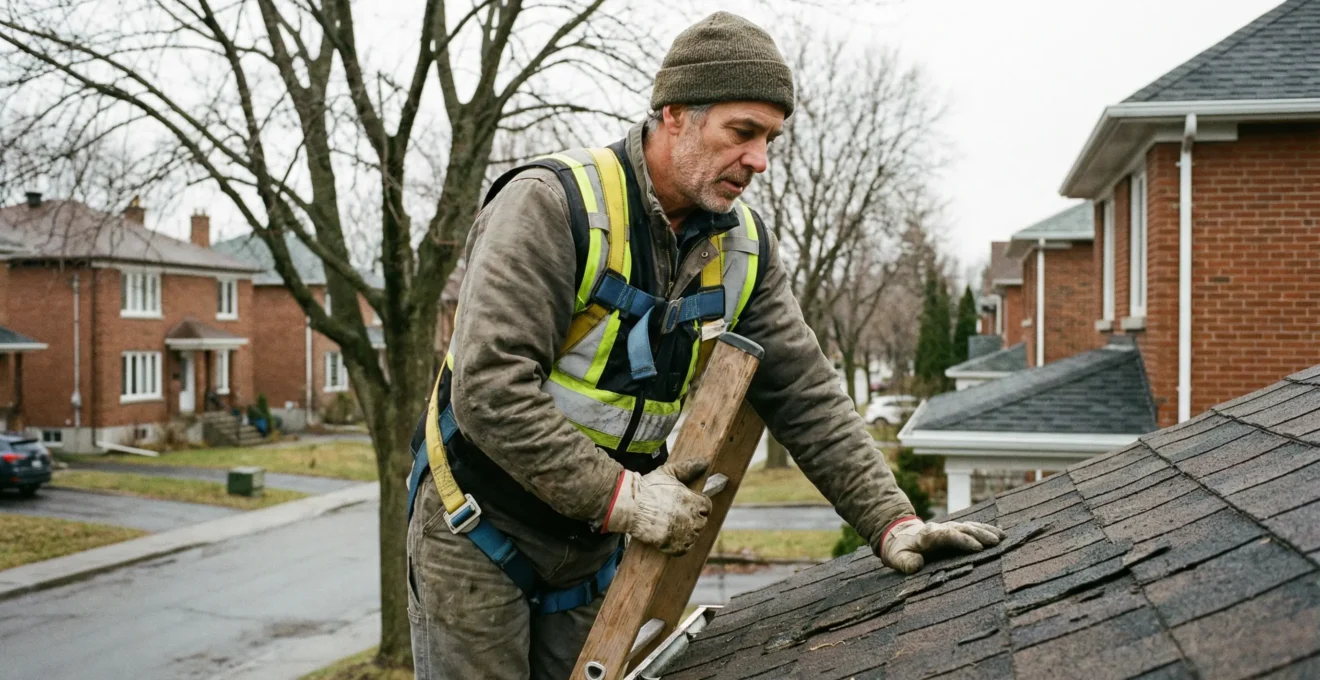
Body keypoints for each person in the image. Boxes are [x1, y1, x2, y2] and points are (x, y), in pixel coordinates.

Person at [405, 11, 1004, 679]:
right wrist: (625, 499)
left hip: (594, 548)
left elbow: (804, 391)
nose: (759, 161)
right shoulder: (553, 205)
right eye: (742, 133)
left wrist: (892, 521)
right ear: (674, 115)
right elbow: (489, 391)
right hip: (481, 530)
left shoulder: (743, 246)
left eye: (771, 139)